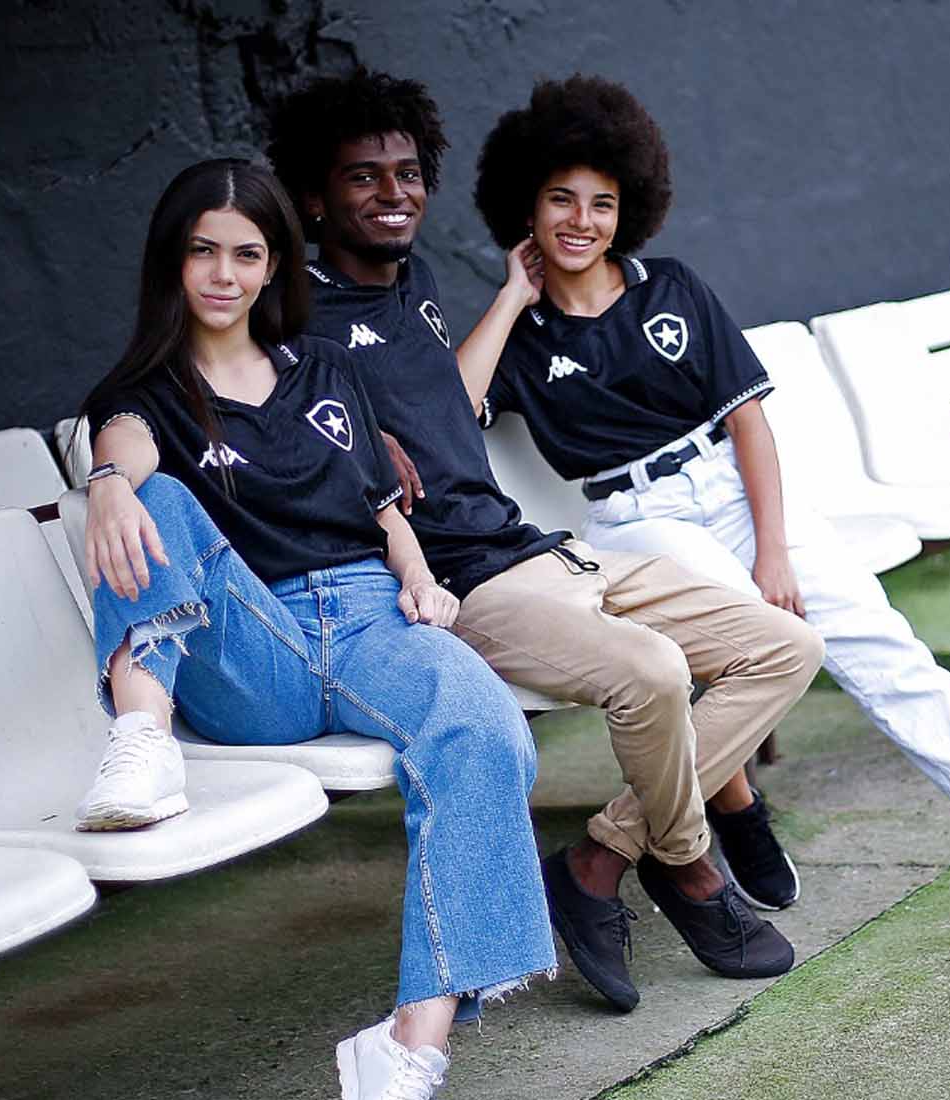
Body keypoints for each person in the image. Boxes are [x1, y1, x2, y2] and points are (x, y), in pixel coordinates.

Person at [464, 75, 950, 918]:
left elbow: (749, 424)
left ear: (628, 209)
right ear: (526, 206)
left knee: (878, 635)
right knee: (739, 640)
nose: (582, 220)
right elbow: (451, 410)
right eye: (561, 199)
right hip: (636, 521)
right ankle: (736, 807)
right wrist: (511, 296)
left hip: (731, 489)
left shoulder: (671, 288)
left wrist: (774, 550)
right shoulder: (520, 335)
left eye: (602, 203)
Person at [263, 70, 825, 1014]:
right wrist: (351, 443)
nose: (394, 193)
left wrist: (514, 295)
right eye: (364, 177)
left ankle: (603, 856)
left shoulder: (418, 286)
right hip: (462, 585)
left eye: (408, 174)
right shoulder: (292, 319)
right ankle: (692, 872)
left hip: (538, 548)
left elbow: (453, 407)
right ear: (314, 198)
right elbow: (255, 422)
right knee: (652, 671)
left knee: (787, 645)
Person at [74, 157, 553, 1100]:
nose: (224, 274)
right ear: (172, 261)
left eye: (247, 254)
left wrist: (421, 580)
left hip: (374, 619)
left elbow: (382, 505)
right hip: (256, 646)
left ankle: (410, 1047)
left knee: (486, 727)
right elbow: (123, 442)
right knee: (153, 496)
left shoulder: (325, 367)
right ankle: (141, 741)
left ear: (274, 266)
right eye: (203, 251)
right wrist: (107, 482)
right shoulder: (144, 391)